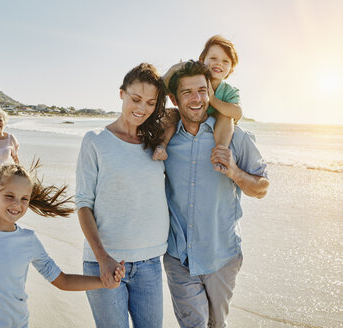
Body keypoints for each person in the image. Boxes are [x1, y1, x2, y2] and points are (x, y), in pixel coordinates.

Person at [0, 163, 125, 328]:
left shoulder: (29, 240)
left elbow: (62, 281)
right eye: (9, 196)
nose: (17, 205)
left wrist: (104, 281)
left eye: (24, 199)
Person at [162, 60, 269, 327]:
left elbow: (262, 188)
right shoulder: (165, 140)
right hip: (179, 258)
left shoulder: (236, 138)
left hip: (222, 257)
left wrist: (235, 172)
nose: (197, 99)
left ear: (211, 92)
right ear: (174, 99)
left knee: (217, 325)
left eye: (202, 90)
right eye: (187, 93)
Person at [76, 63, 170, 328]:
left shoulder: (156, 141)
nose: (142, 108)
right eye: (135, 99)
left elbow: (179, 110)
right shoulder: (95, 140)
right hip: (104, 262)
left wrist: (162, 141)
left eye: (151, 102)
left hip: (150, 263)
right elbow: (83, 204)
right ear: (121, 94)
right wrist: (102, 257)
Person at [153, 35, 242, 168]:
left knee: (226, 117)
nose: (219, 63)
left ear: (232, 69)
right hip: (191, 119)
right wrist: (173, 69)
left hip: (217, 126)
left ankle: (220, 151)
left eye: (225, 61)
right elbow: (158, 91)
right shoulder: (192, 77)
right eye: (213, 58)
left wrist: (212, 99)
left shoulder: (229, 91)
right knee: (171, 114)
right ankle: (162, 146)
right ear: (202, 60)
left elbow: (237, 112)